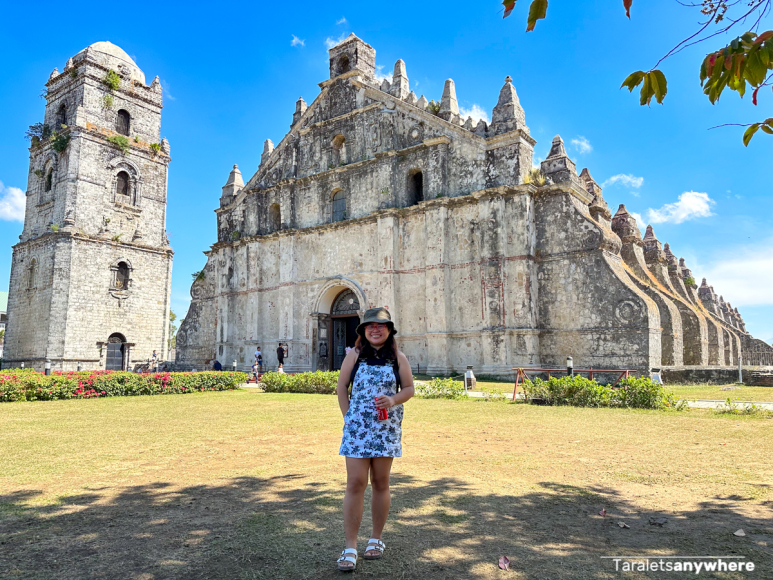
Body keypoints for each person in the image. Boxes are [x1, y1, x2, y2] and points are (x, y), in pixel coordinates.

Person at [335, 307, 414, 572]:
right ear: (364, 331)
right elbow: (341, 387)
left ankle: (376, 539)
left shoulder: (398, 358)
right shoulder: (354, 355)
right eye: (370, 326)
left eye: (381, 325)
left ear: (389, 330)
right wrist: (348, 417)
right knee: (355, 483)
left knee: (381, 482)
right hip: (357, 431)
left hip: (385, 430)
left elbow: (409, 389)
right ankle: (350, 546)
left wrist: (393, 400)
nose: (375, 330)